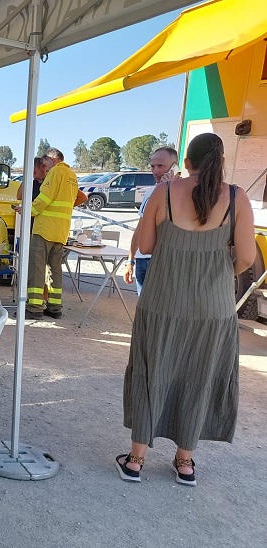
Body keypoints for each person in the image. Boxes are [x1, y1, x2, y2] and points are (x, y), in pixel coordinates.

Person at [117, 133, 254, 486]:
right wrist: (218, 273)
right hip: (213, 307)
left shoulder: (163, 193)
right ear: (220, 160)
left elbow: (145, 245)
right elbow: (247, 259)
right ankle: (185, 461)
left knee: (153, 368)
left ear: (186, 161)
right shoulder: (237, 198)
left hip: (162, 299)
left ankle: (136, 459)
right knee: (200, 374)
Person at [24, 148, 77, 319]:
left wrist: (26, 211)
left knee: (37, 269)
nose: (44, 167)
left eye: (45, 163)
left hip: (45, 229)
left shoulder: (55, 173)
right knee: (55, 269)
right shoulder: (72, 176)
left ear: (52, 159)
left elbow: (44, 199)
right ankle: (55, 307)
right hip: (61, 230)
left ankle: (34, 307)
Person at [123, 146, 178, 295]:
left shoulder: (182, 193)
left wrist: (168, 189)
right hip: (142, 260)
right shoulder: (149, 192)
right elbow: (140, 227)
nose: (155, 171)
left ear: (175, 167)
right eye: (152, 166)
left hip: (163, 261)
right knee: (143, 309)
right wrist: (130, 260)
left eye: (161, 166)